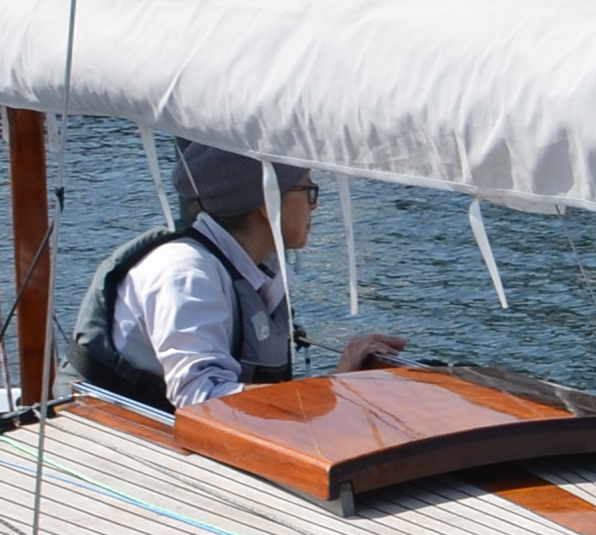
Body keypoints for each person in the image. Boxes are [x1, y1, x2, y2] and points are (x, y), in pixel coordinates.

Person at [81, 141, 404, 408]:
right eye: (308, 190)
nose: (315, 205)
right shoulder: (187, 274)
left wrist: (338, 380)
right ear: (268, 201)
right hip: (117, 438)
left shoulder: (256, 267)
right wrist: (326, 395)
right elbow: (199, 397)